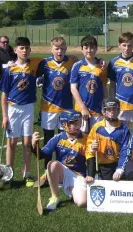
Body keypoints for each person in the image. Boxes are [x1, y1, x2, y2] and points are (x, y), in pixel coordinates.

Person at [0, 37, 42, 187]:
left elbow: (52, 59)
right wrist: (5, 116)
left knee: (27, 143)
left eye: (27, 48)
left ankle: (27, 173)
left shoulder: (34, 65)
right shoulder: (10, 70)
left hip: (28, 108)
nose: (24, 50)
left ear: (30, 50)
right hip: (13, 109)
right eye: (21, 48)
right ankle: (8, 173)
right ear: (15, 50)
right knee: (11, 142)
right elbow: (3, 95)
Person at [35, 37, 78, 186]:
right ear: (51, 49)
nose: (59, 51)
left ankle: (62, 171)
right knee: (48, 140)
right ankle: (47, 173)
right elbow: (30, 72)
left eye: (62, 48)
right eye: (56, 48)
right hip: (48, 108)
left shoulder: (73, 61)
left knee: (63, 141)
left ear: (66, 48)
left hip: (66, 109)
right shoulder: (44, 63)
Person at [32, 110, 91, 211]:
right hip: (62, 172)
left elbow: (91, 159)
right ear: (64, 124)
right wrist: (33, 146)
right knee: (52, 164)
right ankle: (54, 197)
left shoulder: (86, 139)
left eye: (79, 122)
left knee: (82, 202)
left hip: (79, 176)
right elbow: (42, 155)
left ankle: (72, 191)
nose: (78, 125)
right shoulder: (57, 138)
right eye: (74, 122)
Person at [85, 98, 133, 181]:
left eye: (114, 109)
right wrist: (92, 148)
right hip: (104, 165)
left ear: (118, 111)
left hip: (119, 162)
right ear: (103, 111)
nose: (111, 111)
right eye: (108, 109)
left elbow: (126, 151)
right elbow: (88, 151)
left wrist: (119, 170)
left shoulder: (124, 128)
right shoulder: (97, 128)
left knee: (131, 171)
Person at [70, 35, 107, 134]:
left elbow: (104, 88)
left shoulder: (102, 66)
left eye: (92, 48)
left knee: (97, 140)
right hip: (81, 111)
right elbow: (73, 89)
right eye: (86, 48)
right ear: (82, 49)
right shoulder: (77, 66)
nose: (89, 50)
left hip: (98, 110)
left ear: (96, 49)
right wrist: (83, 108)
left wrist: (105, 106)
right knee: (82, 140)